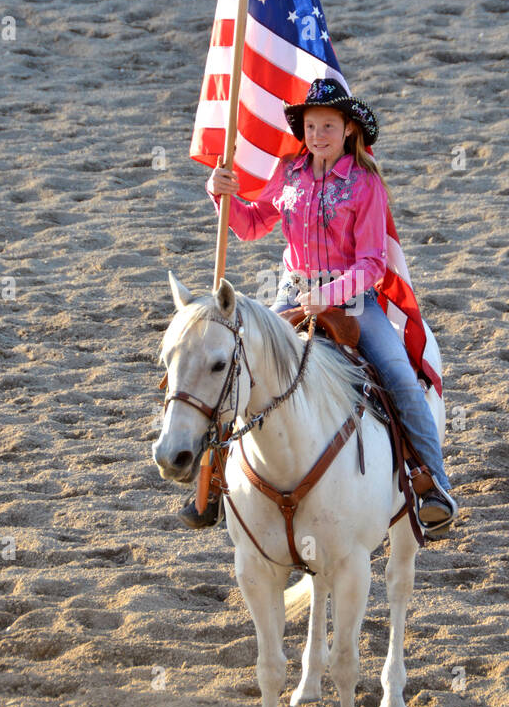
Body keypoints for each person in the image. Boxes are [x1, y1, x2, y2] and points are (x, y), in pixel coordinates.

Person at [178, 78, 457, 537]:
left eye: (328, 125)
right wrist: (221, 193)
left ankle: (433, 484)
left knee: (402, 379)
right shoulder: (288, 173)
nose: (318, 134)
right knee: (234, 363)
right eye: (311, 125)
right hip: (291, 293)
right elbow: (250, 226)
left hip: (353, 302)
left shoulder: (366, 185)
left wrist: (330, 295)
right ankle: (214, 487)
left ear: (348, 129)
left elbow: (372, 264)